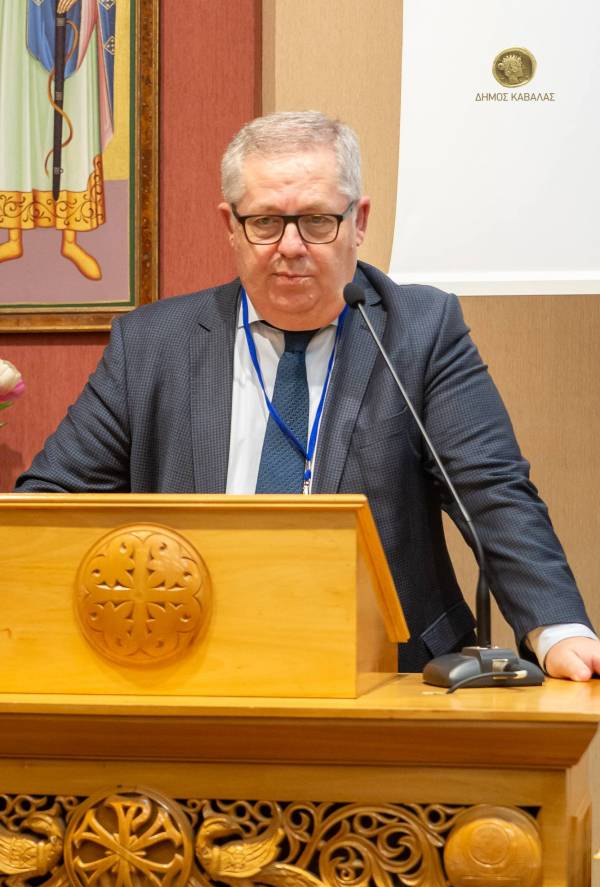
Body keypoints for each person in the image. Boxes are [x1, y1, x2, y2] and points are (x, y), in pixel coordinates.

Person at [15, 111, 599, 680]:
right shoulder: (152, 345)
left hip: (384, 673)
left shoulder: (418, 332)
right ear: (229, 224)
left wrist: (558, 629)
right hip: (188, 664)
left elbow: (491, 492)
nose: (291, 246)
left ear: (358, 220)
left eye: (318, 221)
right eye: (265, 222)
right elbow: (49, 503)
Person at [0, 0, 115, 280]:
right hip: (16, 13)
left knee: (72, 107)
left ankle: (70, 238)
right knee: (16, 110)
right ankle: (14, 234)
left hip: (75, 16)